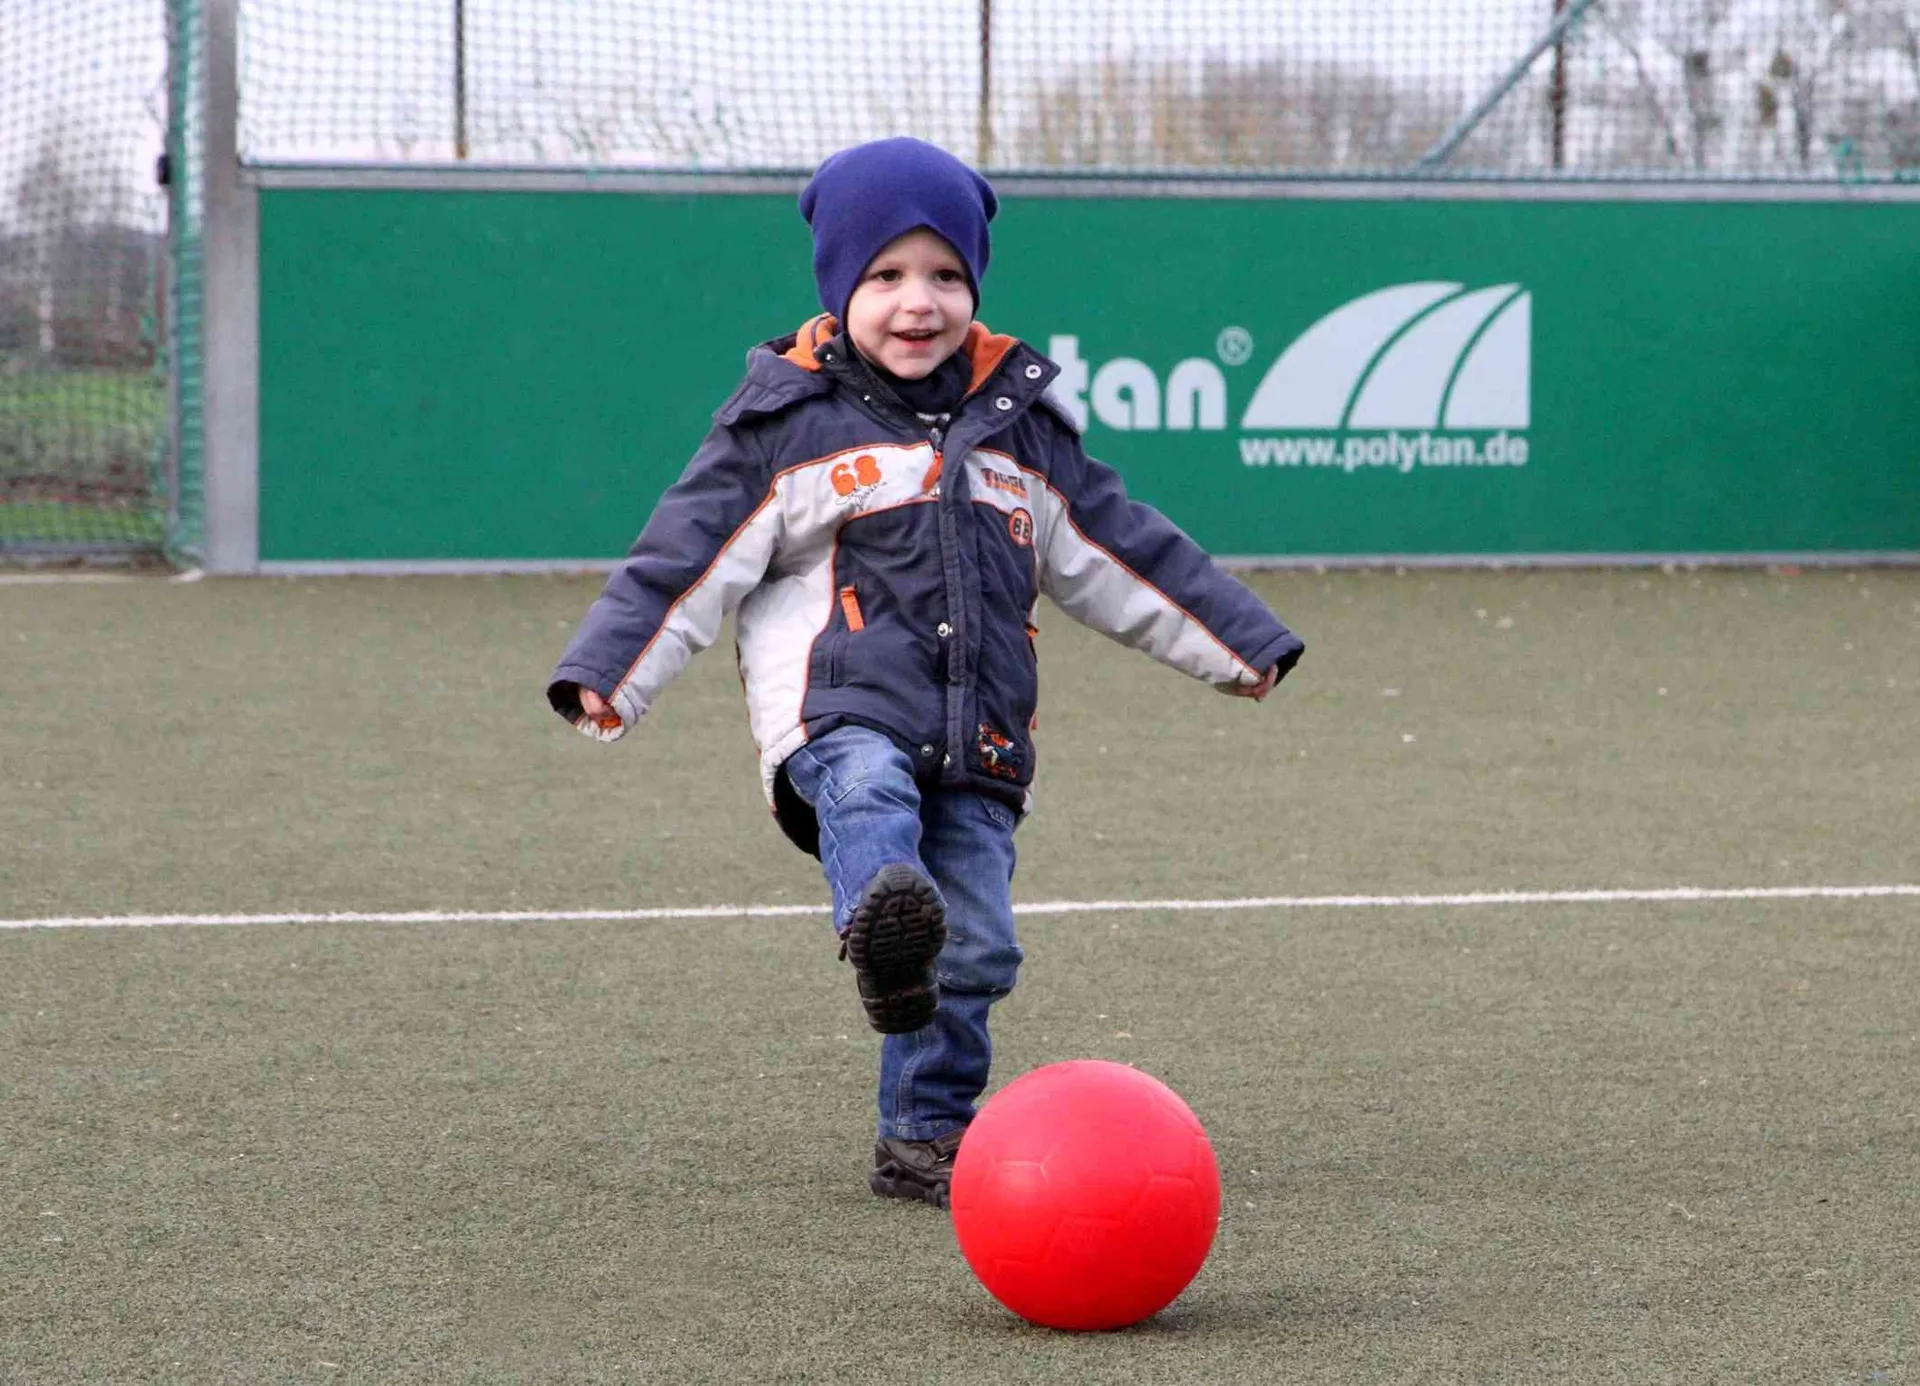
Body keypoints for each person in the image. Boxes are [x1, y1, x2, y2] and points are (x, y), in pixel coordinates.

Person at [547, 136, 1304, 1209]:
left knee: (981, 953)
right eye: (888, 276)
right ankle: (880, 924)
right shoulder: (784, 425)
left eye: (946, 276)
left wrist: (1242, 643)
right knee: (869, 795)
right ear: (839, 288)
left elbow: (1127, 552)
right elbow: (681, 560)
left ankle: (925, 1135)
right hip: (838, 716)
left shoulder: (1021, 433)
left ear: (976, 288)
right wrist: (608, 672)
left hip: (983, 737)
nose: (920, 302)